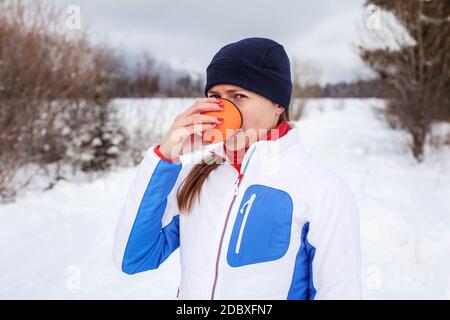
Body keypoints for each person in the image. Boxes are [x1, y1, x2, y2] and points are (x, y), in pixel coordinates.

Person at [113, 37, 362, 300]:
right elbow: (135, 258)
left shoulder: (321, 189)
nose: (223, 109)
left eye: (238, 96)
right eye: (215, 97)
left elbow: (339, 291)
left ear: (278, 105)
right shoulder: (197, 176)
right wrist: (166, 156)